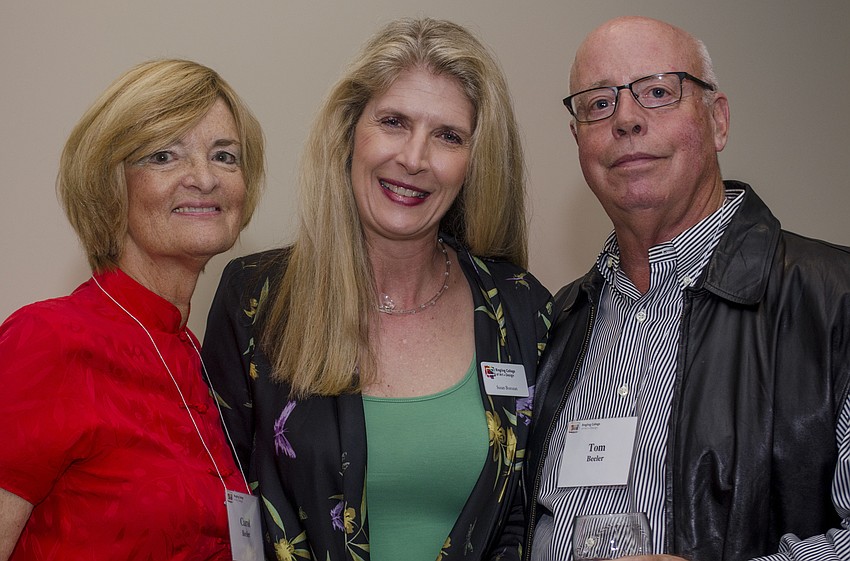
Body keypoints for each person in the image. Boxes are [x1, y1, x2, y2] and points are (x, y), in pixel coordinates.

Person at [201, 17, 552, 561]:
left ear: (472, 163)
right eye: (393, 122)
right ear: (350, 134)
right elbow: (224, 511)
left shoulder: (522, 307)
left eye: (448, 136)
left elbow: (536, 518)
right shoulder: (258, 300)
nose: (414, 158)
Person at [524, 15, 850, 561]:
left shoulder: (833, 301)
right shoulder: (558, 319)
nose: (626, 119)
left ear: (718, 120)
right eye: (598, 104)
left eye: (657, 92)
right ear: (577, 139)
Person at [0, 59, 265, 560]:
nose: (204, 178)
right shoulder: (47, 341)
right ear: (110, 183)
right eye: (165, 156)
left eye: (225, 156)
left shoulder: (201, 361)